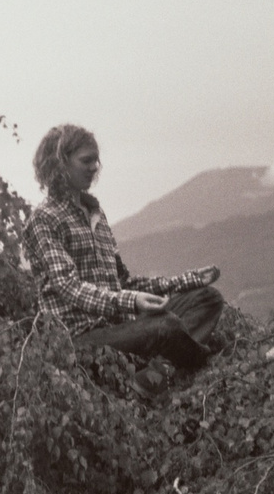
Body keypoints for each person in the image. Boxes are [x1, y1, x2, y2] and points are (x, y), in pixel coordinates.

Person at [25, 124, 224, 370]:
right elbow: (69, 287)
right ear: (60, 164)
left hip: (121, 328)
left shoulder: (96, 215)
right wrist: (132, 302)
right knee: (165, 325)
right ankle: (197, 363)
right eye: (86, 161)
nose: (93, 168)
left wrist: (189, 280)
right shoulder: (44, 219)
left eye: (96, 161)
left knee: (208, 299)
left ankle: (158, 371)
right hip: (79, 338)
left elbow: (124, 283)